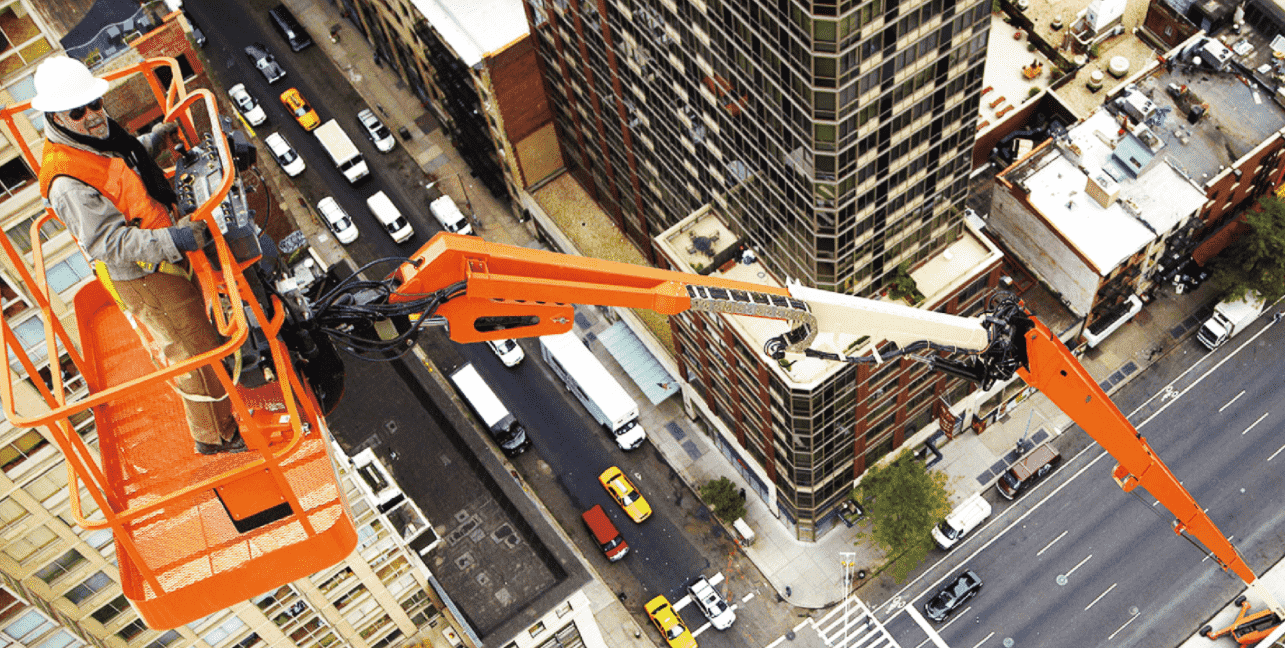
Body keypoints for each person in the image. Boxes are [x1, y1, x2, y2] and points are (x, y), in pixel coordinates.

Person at [32, 56, 244, 455]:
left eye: (95, 104)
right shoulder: (66, 181)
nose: (92, 115)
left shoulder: (98, 138)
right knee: (196, 353)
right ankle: (215, 437)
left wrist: (154, 141)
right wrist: (175, 240)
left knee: (201, 334)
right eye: (78, 112)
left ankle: (221, 415)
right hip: (145, 273)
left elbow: (124, 169)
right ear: (56, 117)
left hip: (160, 250)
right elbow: (107, 243)